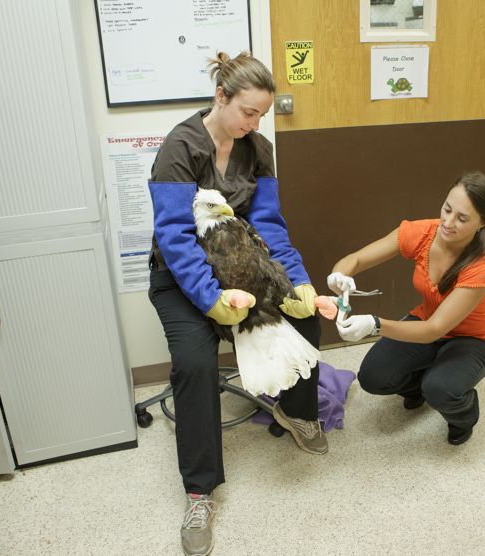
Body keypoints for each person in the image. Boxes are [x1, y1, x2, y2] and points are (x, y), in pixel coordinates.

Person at [147, 52, 325, 556]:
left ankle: (296, 412)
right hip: (182, 282)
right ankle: (200, 492)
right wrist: (212, 300)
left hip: (243, 269)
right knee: (196, 363)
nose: (253, 124)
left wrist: (298, 282)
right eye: (247, 111)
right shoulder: (180, 147)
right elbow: (175, 237)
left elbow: (269, 226)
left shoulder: (258, 149)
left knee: (305, 319)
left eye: (261, 115)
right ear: (220, 97)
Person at [328, 171, 485, 445]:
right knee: (373, 377)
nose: (448, 222)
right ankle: (420, 384)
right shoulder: (423, 233)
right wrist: (340, 275)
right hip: (426, 322)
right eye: (447, 209)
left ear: (482, 223)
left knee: (440, 389)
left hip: (472, 340)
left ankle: (465, 413)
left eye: (462, 218)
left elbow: (435, 329)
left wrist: (375, 324)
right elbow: (357, 259)